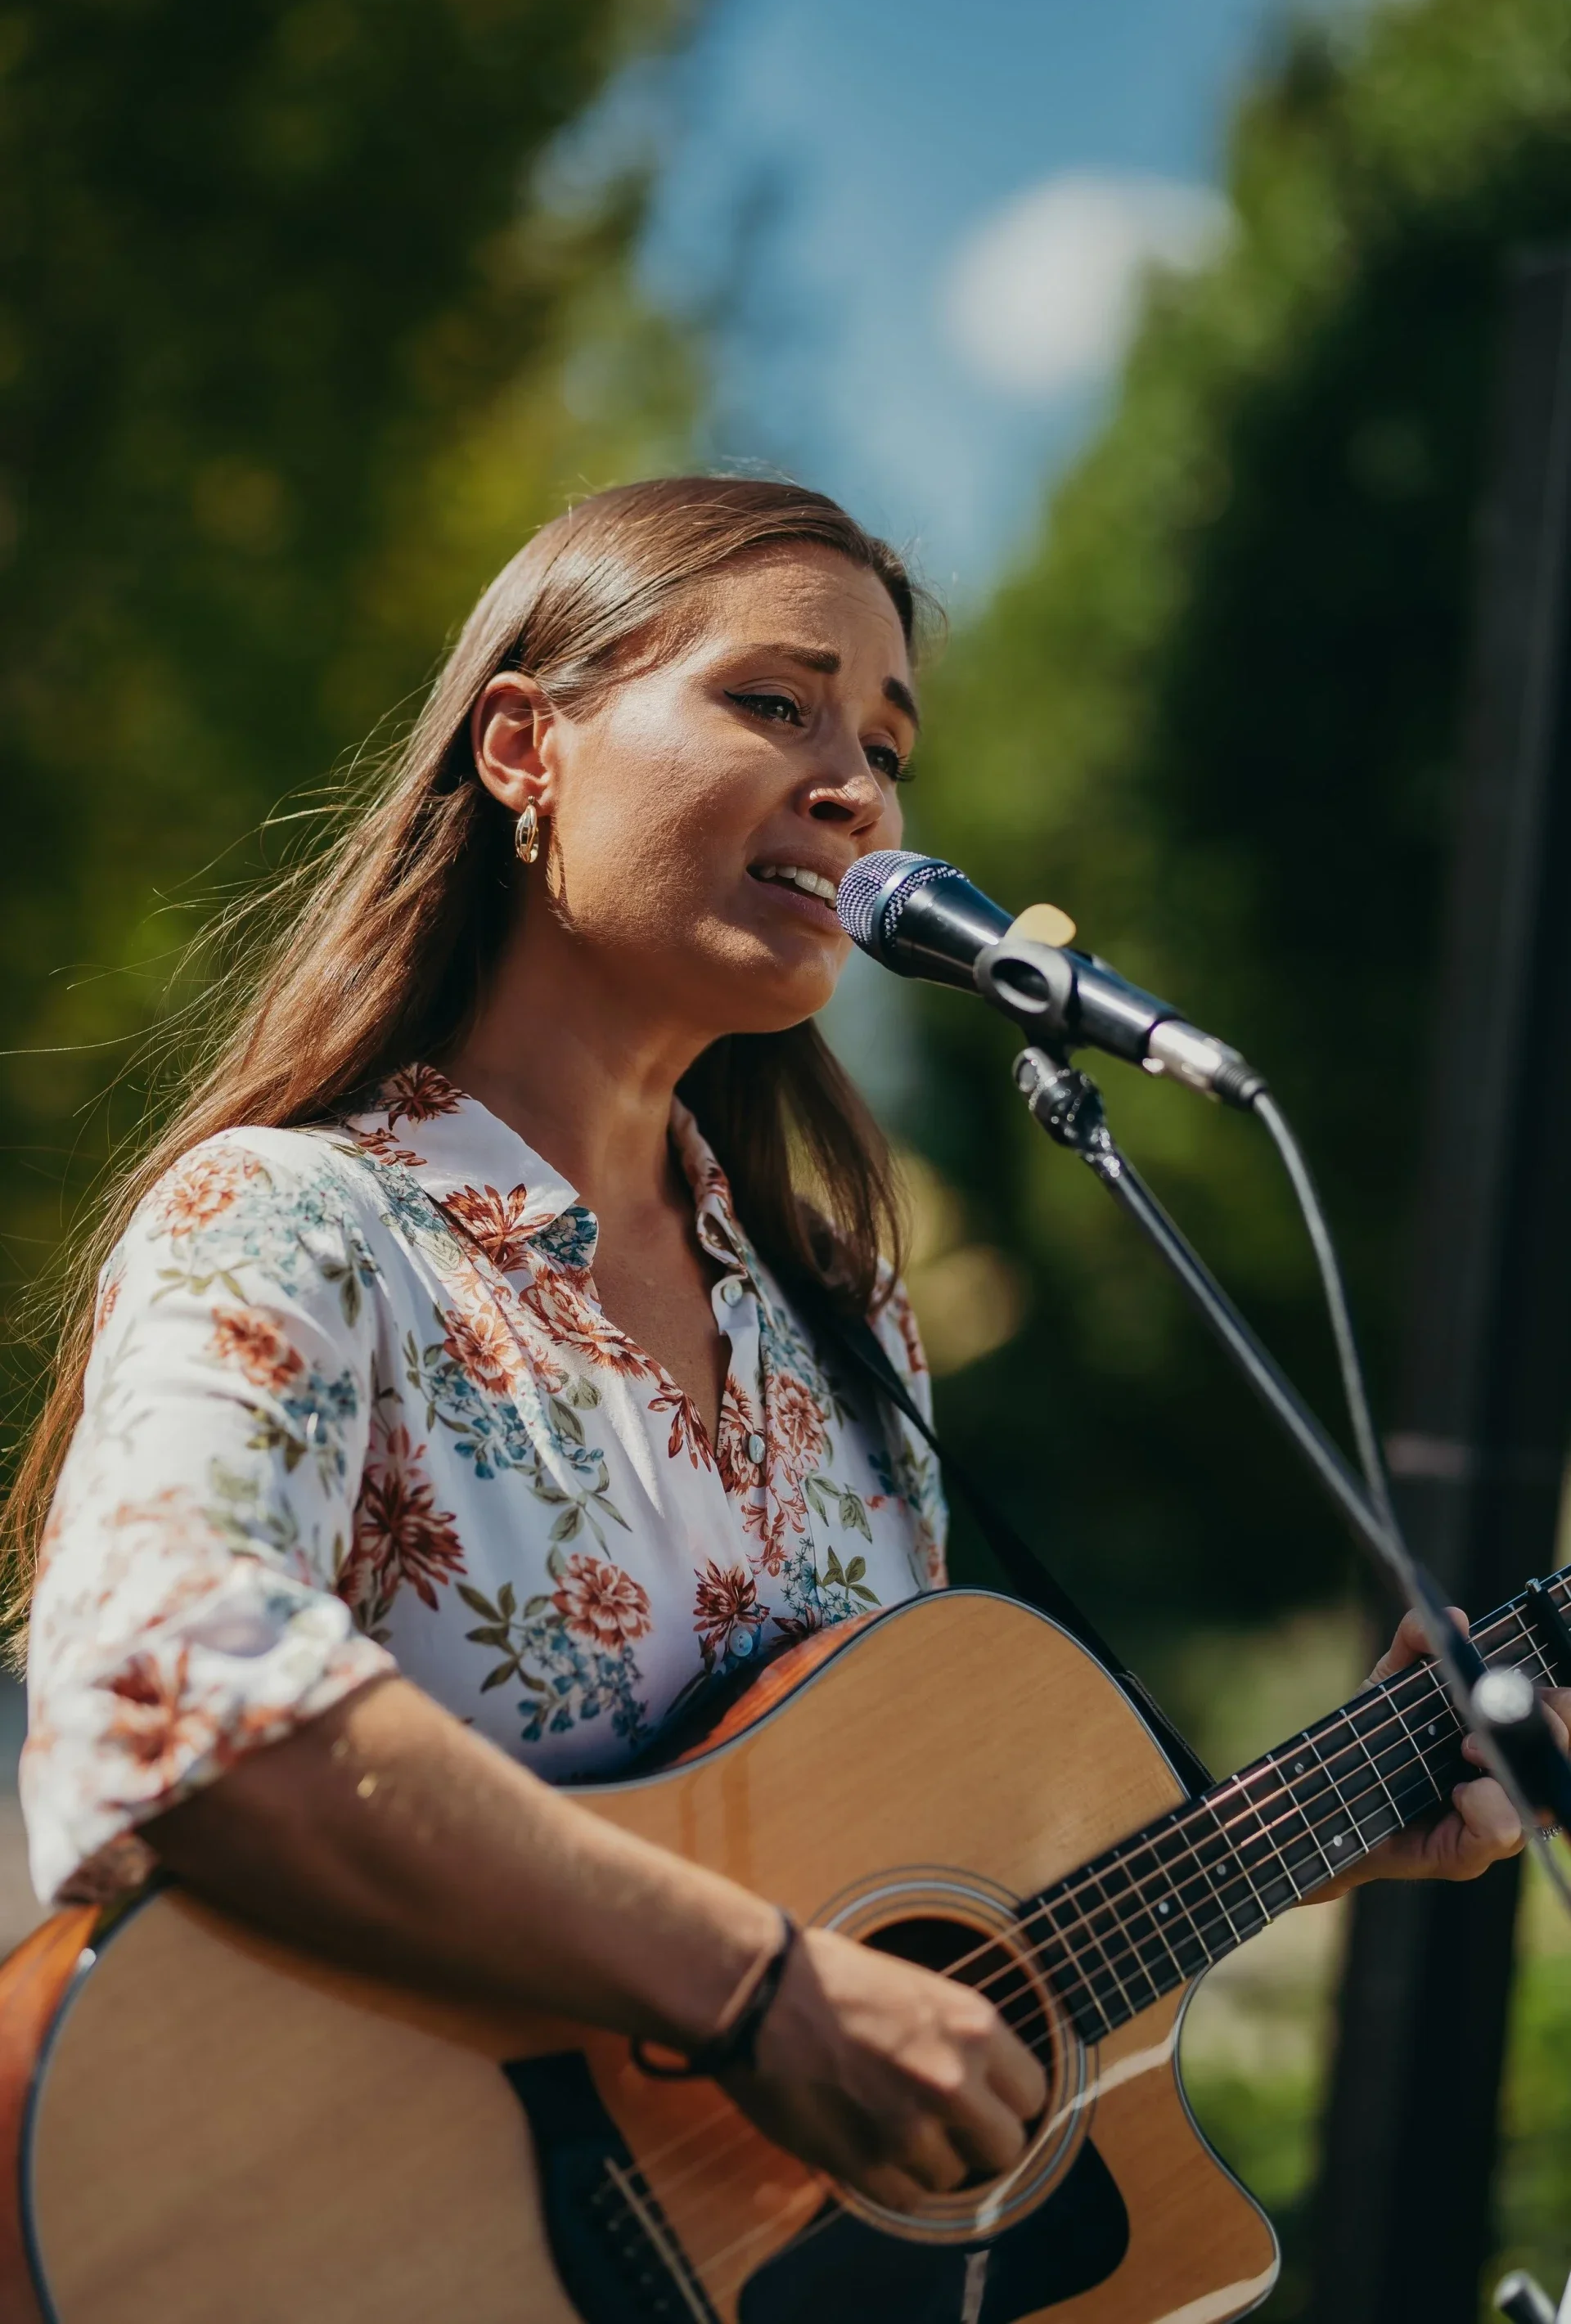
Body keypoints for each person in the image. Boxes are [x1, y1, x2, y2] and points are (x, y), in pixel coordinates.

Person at [4, 477, 1551, 2213]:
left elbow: (905, 1906)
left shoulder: (843, 1317)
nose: (858, 788)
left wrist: (1323, 1826)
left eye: (887, 746)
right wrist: (754, 1989)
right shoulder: (293, 1222)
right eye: (773, 702)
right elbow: (160, 1691)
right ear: (523, 748)